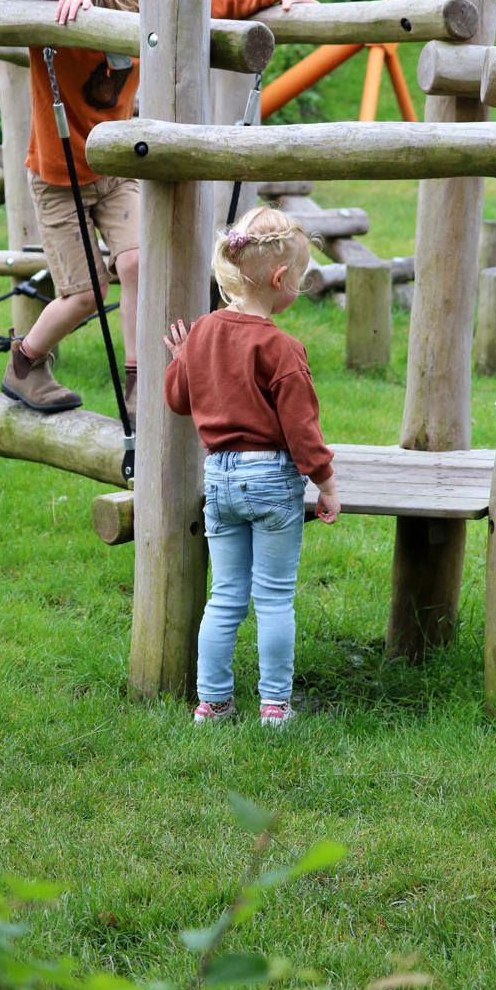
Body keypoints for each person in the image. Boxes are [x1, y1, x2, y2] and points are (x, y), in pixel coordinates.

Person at [0, 0, 315, 419]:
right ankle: (25, 362)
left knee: (139, 264)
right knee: (86, 295)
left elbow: (216, 0)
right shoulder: (59, 24)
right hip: (61, 183)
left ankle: (140, 379)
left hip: (116, 172)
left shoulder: (146, 25)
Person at [163, 206, 340, 728]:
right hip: (270, 479)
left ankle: (213, 704)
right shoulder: (281, 347)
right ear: (281, 279)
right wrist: (327, 484)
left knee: (225, 597)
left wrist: (182, 359)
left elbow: (178, 400)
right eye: (301, 280)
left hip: (218, 478)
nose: (300, 289)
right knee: (275, 598)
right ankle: (274, 707)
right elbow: (302, 430)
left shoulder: (202, 333)